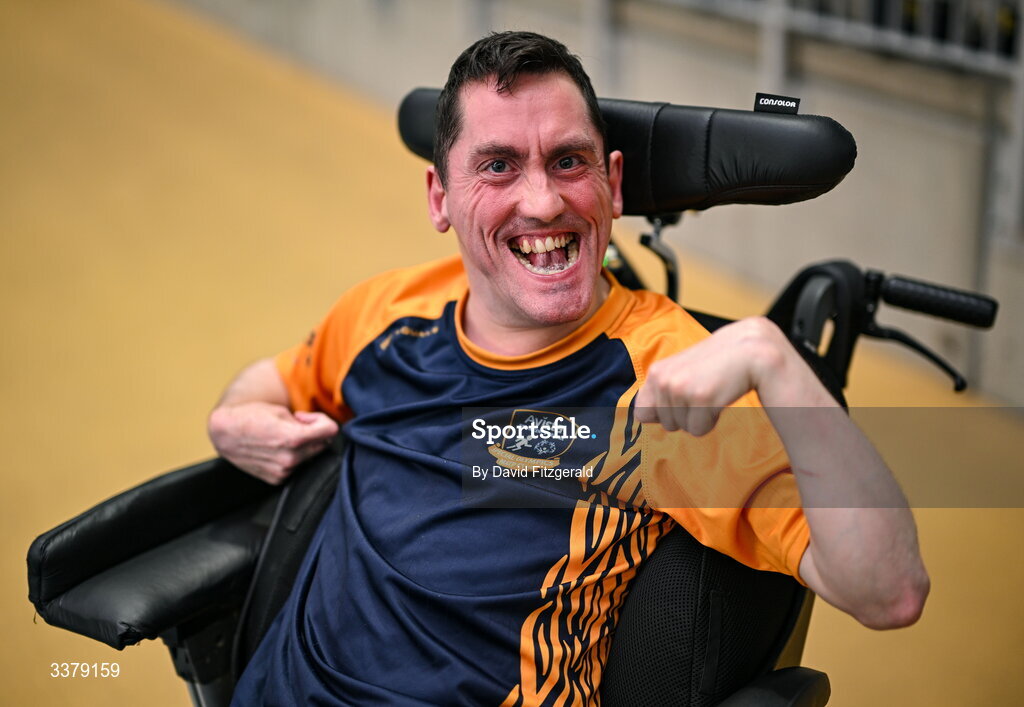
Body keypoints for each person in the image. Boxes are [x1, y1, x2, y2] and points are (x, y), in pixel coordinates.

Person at [212, 31, 929, 706]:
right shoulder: (388, 311)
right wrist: (233, 418)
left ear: (613, 181)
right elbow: (272, 382)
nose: (544, 201)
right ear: (439, 197)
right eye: (498, 165)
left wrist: (776, 361)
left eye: (568, 160)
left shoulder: (661, 378)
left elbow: (888, 589)